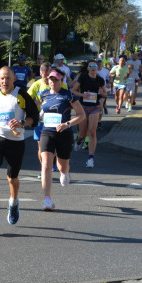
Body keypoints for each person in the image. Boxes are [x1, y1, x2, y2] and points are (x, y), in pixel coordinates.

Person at [0, 67, 40, 227]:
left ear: (13, 79)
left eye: (8, 78)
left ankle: (13, 202)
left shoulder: (21, 94)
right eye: (2, 78)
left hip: (16, 142)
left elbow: (34, 116)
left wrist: (22, 122)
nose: (5, 81)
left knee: (12, 178)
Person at [37, 70, 86, 211]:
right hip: (47, 132)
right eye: (50, 79)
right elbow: (40, 109)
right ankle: (47, 199)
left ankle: (65, 173)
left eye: (55, 80)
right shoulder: (44, 94)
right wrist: (40, 114)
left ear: (61, 81)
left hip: (64, 133)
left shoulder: (68, 95)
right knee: (46, 164)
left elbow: (81, 115)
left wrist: (68, 124)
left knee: (62, 166)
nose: (52, 82)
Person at [71, 60, 106, 169]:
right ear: (88, 68)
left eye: (95, 66)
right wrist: (83, 95)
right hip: (83, 107)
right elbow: (73, 91)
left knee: (92, 132)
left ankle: (91, 158)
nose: (93, 68)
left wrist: (101, 92)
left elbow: (105, 94)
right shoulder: (83, 78)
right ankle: (79, 141)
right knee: (82, 134)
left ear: (97, 68)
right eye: (91, 66)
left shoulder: (100, 80)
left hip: (95, 108)